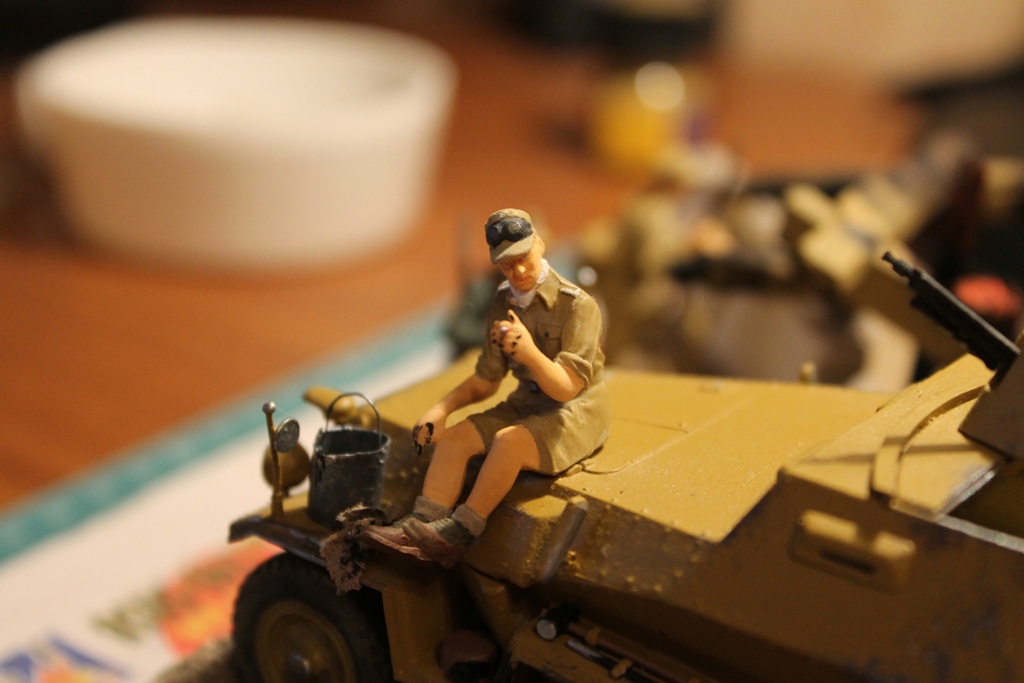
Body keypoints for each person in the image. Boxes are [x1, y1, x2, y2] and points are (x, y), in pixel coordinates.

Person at [362, 208, 610, 566]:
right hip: (527, 401)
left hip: (575, 412)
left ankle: (460, 531)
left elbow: (567, 388)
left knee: (509, 442)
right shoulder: (502, 301)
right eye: (507, 265)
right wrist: (441, 409)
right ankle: (421, 524)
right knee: (456, 438)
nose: (518, 271)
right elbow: (487, 378)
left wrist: (529, 353)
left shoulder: (578, 306)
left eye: (523, 258)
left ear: (540, 246)